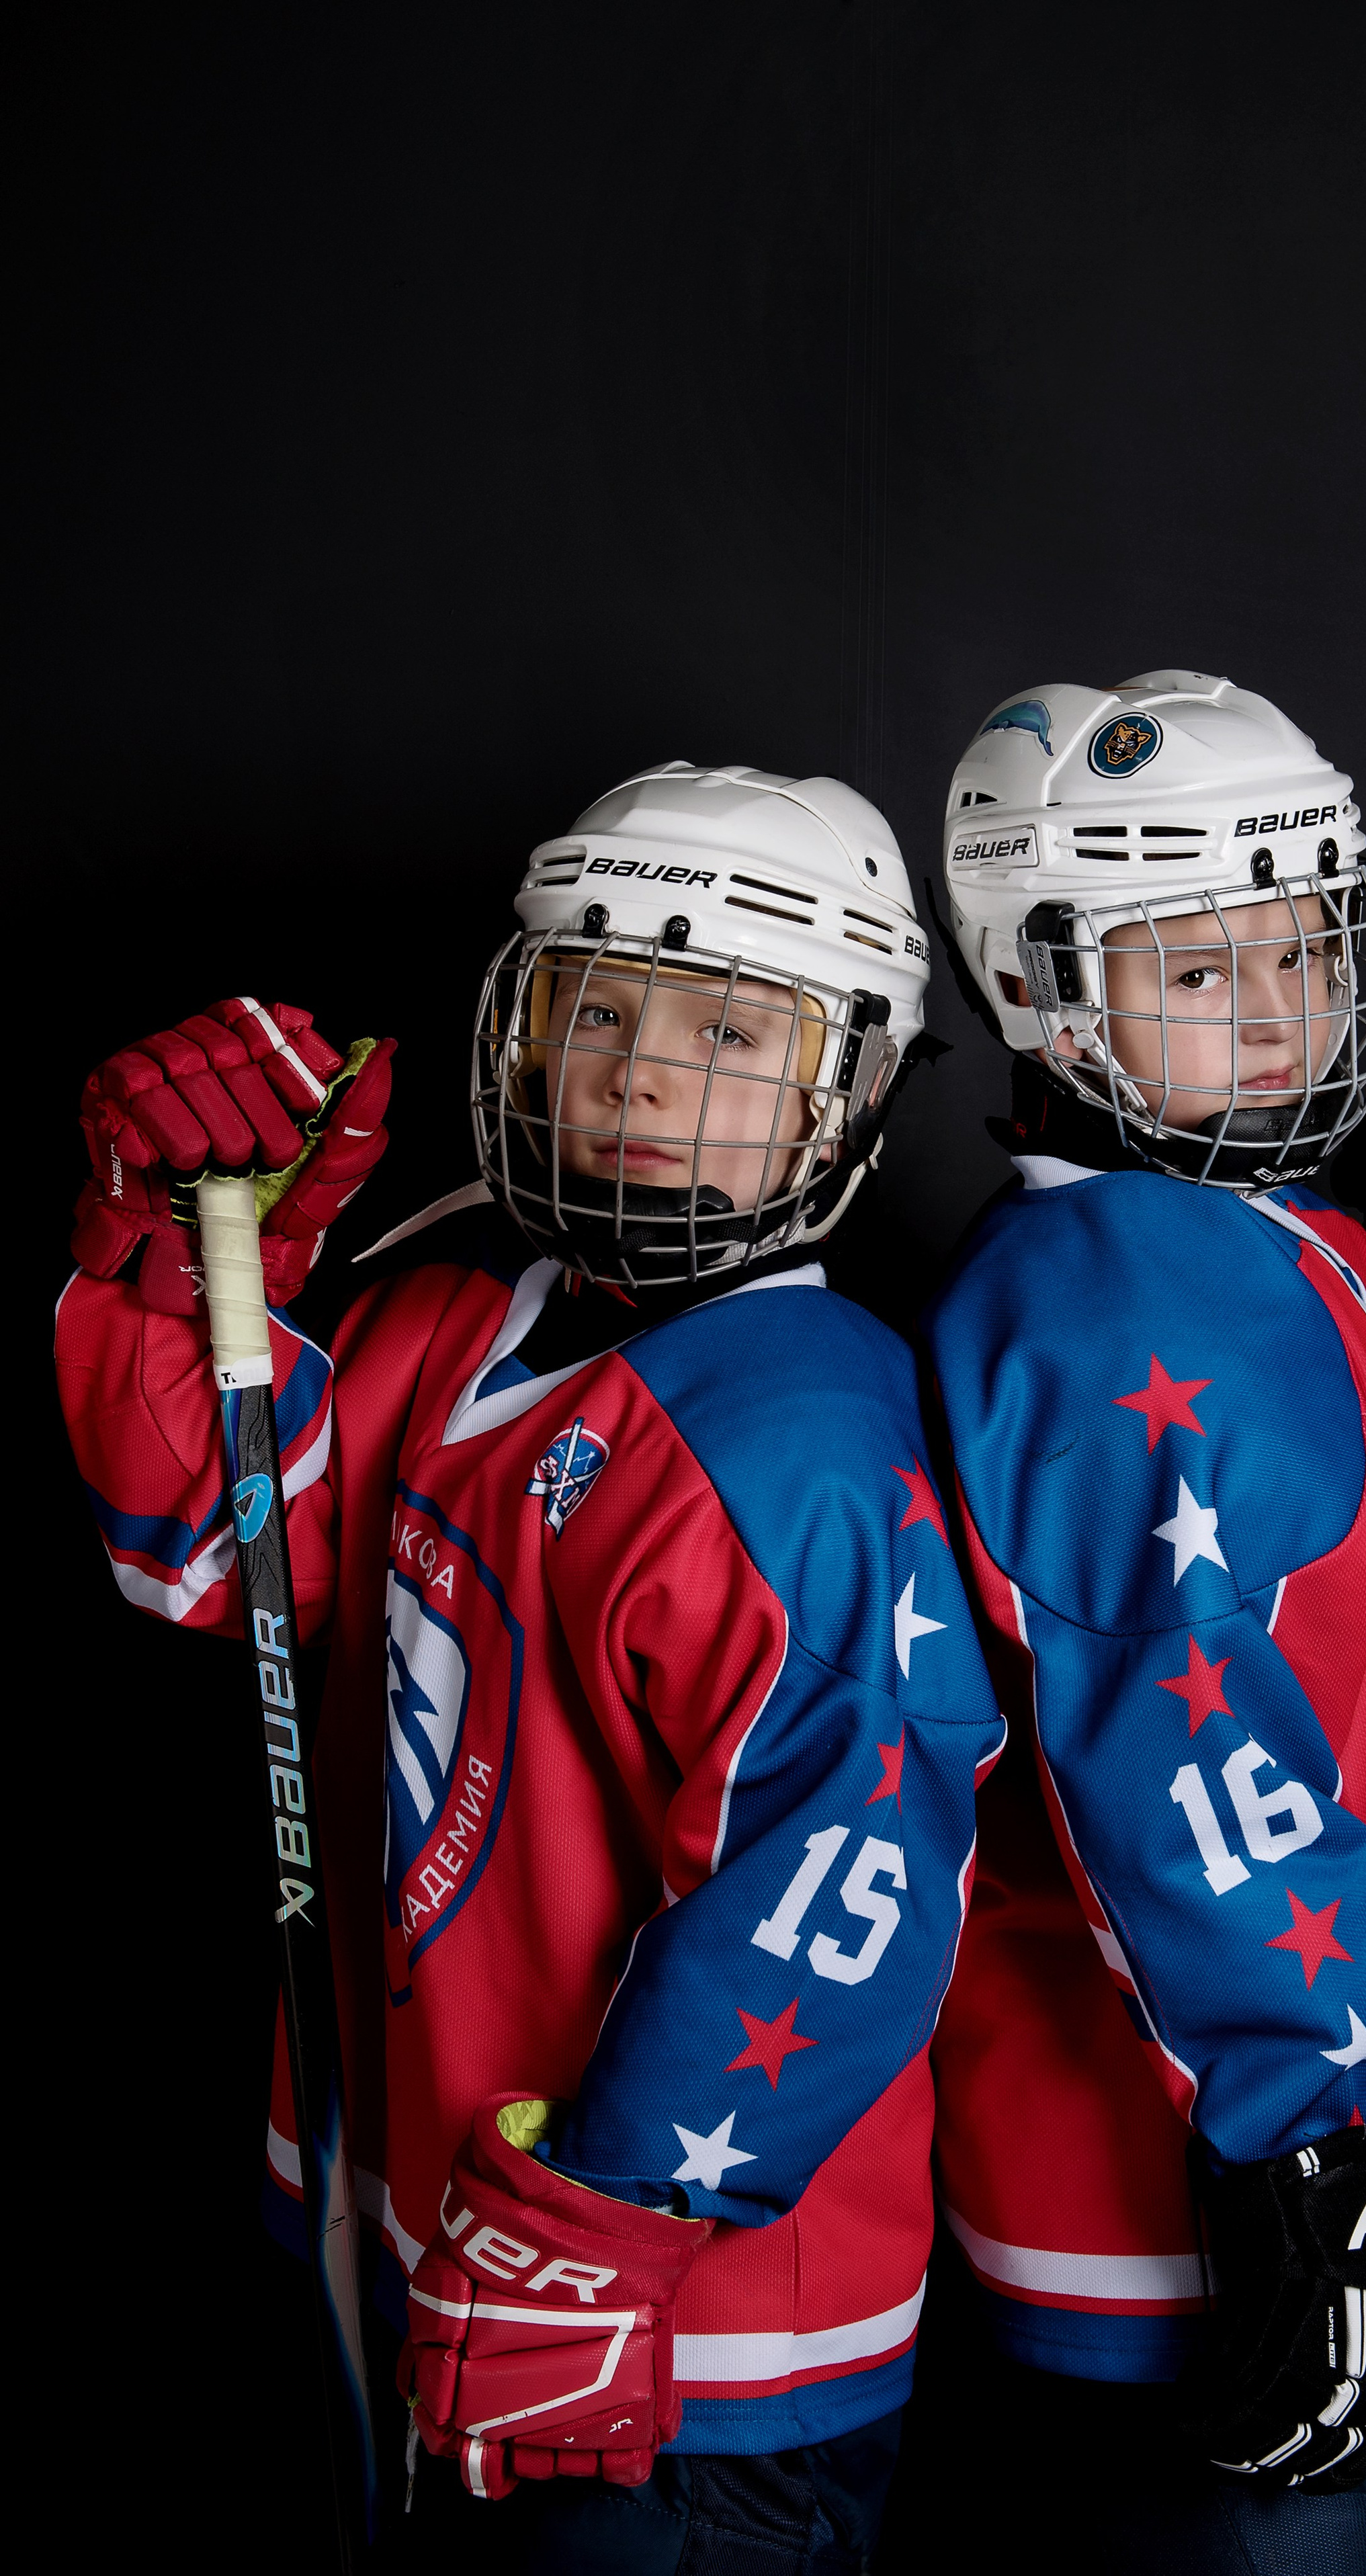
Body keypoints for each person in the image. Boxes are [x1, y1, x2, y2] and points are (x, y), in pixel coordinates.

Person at [56, 762, 1004, 2574]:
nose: (643, 1072)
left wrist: (602, 2222)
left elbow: (851, 1876)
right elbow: (206, 1554)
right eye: (598, 1008)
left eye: (733, 1032)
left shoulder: (804, 1443)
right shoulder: (452, 1304)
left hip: (670, 2328)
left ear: (855, 1088)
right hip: (421, 2222)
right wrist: (177, 1259)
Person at [923, 672, 1366, 2570]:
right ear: (1046, 986)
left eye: (1300, 948)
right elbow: (1188, 1763)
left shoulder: (1229, 1221)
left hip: (1358, 2091)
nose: (1286, 1011)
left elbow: (1363, 1482)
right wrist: (1322, 2155)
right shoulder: (1107, 1314)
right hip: (1237, 2183)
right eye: (1204, 972)